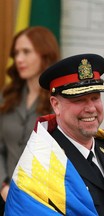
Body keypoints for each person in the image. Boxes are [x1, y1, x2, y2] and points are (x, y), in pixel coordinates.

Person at [3, 53, 104, 216]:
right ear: (56, 105)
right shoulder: (40, 164)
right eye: (79, 100)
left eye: (95, 98)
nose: (91, 108)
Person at [0, 26, 60, 212]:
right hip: (5, 196)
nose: (19, 59)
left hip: (45, 201)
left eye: (26, 52)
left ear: (45, 54)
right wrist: (3, 186)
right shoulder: (6, 97)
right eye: (16, 53)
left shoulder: (60, 102)